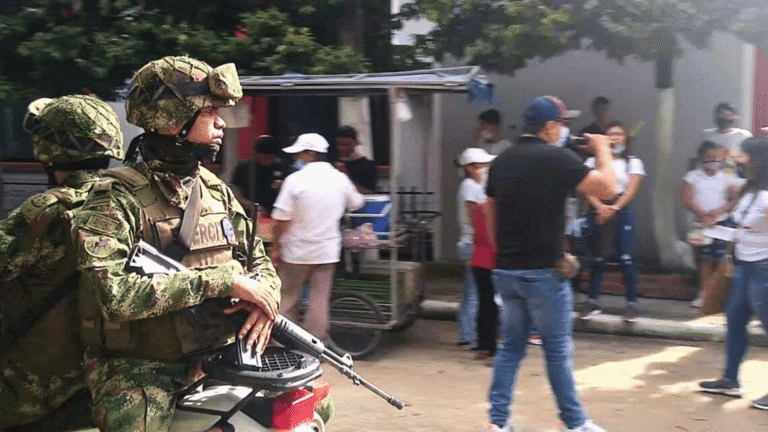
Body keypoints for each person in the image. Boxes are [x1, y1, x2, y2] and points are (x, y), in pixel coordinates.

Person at [71, 56, 282, 432]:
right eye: (210, 113)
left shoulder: (217, 192)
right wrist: (221, 281)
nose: (221, 123)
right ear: (173, 121)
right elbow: (113, 295)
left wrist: (267, 300)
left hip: (216, 359)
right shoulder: (115, 198)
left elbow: (259, 262)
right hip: (142, 370)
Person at [482, 95, 616, 432]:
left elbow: (489, 209)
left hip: (507, 272)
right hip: (544, 273)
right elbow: (609, 187)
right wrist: (602, 147)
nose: (565, 129)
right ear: (550, 127)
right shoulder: (556, 159)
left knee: (510, 349)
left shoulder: (502, 160)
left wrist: (504, 252)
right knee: (556, 351)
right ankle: (574, 423)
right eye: (563, 123)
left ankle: (498, 423)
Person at [0, 95, 124, 431]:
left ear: (49, 151)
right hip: (110, 381)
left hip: (36, 391)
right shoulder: (130, 202)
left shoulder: (46, 212)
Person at [271, 133, 365, 340]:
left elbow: (281, 218)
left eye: (299, 153)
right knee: (319, 302)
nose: (297, 158)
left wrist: (276, 246)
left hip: (296, 253)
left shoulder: (295, 180)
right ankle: (314, 349)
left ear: (310, 154)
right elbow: (357, 202)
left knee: (287, 299)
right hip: (327, 252)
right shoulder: (340, 179)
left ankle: (281, 344)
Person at [699, 137, 768, 411]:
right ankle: (730, 379)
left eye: (746, 156)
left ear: (759, 161)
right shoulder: (750, 190)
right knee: (735, 319)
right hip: (744, 266)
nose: (741, 160)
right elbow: (742, 225)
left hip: (763, 266)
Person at [579, 121, 646, 323]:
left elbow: (631, 190)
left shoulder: (633, 162)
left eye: (619, 134)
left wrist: (614, 208)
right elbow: (584, 188)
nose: (615, 137)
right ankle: (592, 301)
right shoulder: (592, 162)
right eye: (611, 134)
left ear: (625, 138)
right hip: (598, 209)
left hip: (621, 209)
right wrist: (600, 207)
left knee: (625, 257)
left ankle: (631, 304)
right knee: (598, 257)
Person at [681, 141, 743, 308]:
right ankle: (704, 294)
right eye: (708, 158)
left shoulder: (727, 175)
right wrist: (703, 215)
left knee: (721, 260)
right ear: (701, 159)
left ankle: (720, 296)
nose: (713, 162)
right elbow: (686, 199)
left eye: (716, 158)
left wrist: (718, 212)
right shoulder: (693, 176)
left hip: (721, 224)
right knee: (704, 259)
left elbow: (735, 199)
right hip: (700, 225)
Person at [457, 148, 499, 361]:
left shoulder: (474, 189)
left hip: (477, 249)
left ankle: (469, 336)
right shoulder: (471, 189)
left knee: (474, 296)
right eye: (482, 165)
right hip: (477, 248)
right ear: (470, 168)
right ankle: (473, 338)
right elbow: (478, 225)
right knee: (479, 298)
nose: (485, 170)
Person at [231, 135, 288, 217]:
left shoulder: (283, 169)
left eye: (269, 158)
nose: (266, 161)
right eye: (263, 157)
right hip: (249, 212)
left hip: (276, 213)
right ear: (256, 154)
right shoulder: (245, 168)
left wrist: (282, 188)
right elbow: (235, 189)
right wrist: (249, 205)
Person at [702, 103, 752, 176]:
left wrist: (730, 156)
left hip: (736, 176)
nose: (724, 118)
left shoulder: (743, 135)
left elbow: (750, 159)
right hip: (712, 176)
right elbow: (700, 157)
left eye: (728, 115)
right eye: (721, 114)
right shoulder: (707, 135)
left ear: (735, 117)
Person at [335, 125, 379, 194]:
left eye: (346, 144)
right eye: (339, 144)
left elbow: (369, 193)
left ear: (355, 143)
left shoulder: (367, 166)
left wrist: (346, 176)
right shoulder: (332, 163)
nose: (342, 148)